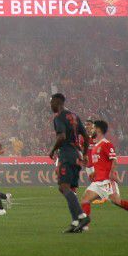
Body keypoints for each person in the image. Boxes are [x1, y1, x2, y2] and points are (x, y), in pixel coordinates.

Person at [79, 119, 128, 231]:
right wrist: (94, 172)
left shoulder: (106, 144)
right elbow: (100, 163)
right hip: (98, 181)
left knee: (118, 202)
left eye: (93, 127)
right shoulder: (95, 146)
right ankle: (85, 225)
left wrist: (112, 173)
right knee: (85, 199)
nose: (90, 130)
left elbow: (114, 159)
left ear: (98, 129)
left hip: (107, 181)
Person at [48, 93, 90, 233]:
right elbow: (85, 136)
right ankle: (75, 222)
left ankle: (82, 216)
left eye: (51, 102)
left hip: (66, 154)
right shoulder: (75, 116)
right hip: (77, 155)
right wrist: (84, 154)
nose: (50, 105)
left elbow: (62, 137)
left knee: (63, 187)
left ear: (57, 102)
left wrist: (53, 150)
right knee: (69, 189)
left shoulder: (59, 117)